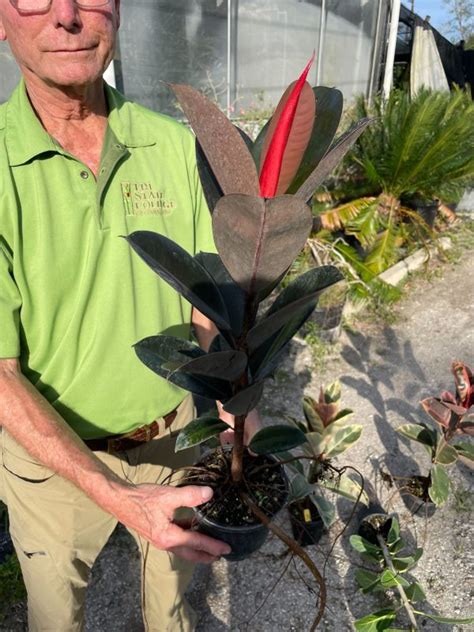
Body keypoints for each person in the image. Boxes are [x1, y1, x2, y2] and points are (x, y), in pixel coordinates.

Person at [0, 1, 259, 629]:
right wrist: (115, 494)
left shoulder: (171, 145)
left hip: (172, 439)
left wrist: (232, 415)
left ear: (116, 11)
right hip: (49, 465)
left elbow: (212, 305)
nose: (66, 16)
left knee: (170, 607)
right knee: (56, 616)